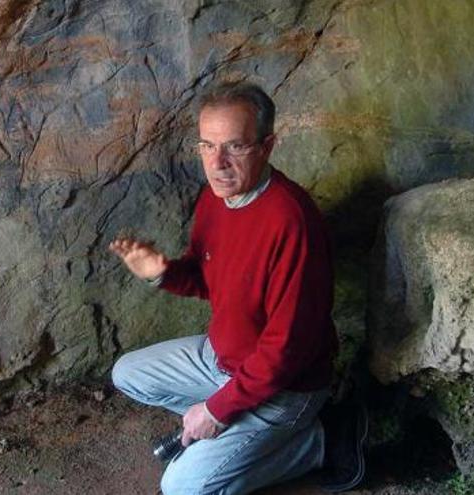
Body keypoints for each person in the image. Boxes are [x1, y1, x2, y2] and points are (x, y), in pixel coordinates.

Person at [109, 81, 366, 494]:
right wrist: (162, 273)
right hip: (221, 360)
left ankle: (317, 440)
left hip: (287, 388)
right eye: (207, 146)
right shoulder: (214, 199)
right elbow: (210, 281)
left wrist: (217, 409)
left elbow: (286, 350)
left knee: (182, 488)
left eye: (235, 147)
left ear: (267, 146)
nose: (218, 163)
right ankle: (242, 432)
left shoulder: (291, 222)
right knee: (128, 375)